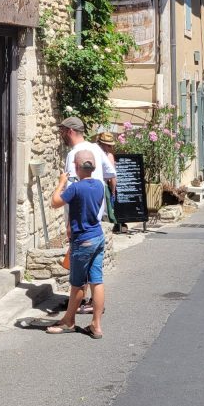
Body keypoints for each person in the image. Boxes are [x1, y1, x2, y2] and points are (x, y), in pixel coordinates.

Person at [47, 149, 106, 339]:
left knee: (78, 284)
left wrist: (62, 182)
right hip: (97, 236)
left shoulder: (75, 188)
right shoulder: (99, 185)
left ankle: (68, 321)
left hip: (83, 240)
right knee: (96, 281)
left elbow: (55, 202)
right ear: (94, 167)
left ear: (76, 167)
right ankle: (96, 325)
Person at [60, 117, 116, 313]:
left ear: (69, 131)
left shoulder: (74, 154)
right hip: (96, 214)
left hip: (79, 217)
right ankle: (94, 308)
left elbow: (71, 188)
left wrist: (68, 223)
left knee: (79, 268)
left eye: (62, 131)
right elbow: (110, 172)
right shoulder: (96, 149)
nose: (61, 136)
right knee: (95, 273)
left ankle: (76, 306)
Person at [97, 130, 126, 234]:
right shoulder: (108, 156)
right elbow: (113, 177)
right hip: (103, 186)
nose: (111, 148)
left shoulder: (93, 152)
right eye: (109, 146)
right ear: (104, 144)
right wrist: (113, 191)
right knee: (105, 213)